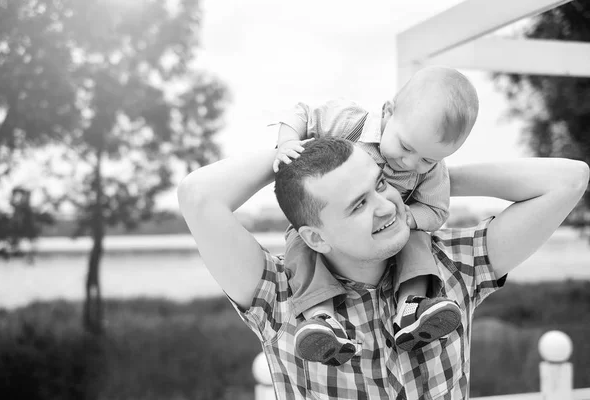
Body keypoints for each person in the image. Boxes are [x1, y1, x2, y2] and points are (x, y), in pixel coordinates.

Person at [177, 136, 588, 399]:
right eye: (358, 205)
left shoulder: (453, 265)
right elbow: (198, 197)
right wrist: (284, 152)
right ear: (315, 237)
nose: (386, 205)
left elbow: (569, 179)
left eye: (378, 183)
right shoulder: (277, 294)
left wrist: (429, 178)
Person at [272, 66, 479, 362]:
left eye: (427, 159)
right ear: (387, 112)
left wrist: (407, 217)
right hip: (325, 225)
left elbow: (437, 210)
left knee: (416, 238)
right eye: (406, 146)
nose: (410, 163)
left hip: (392, 227)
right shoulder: (349, 121)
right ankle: (321, 318)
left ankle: (411, 307)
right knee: (300, 245)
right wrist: (287, 143)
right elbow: (302, 113)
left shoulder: (432, 172)